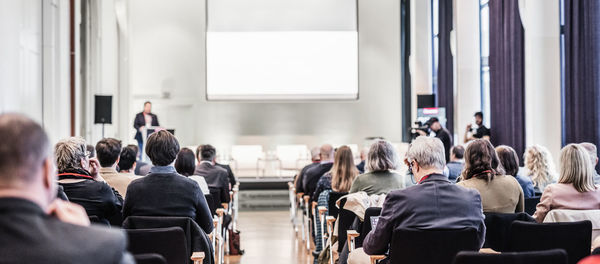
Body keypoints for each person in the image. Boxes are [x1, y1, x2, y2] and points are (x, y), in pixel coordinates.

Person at [0, 114, 134, 264]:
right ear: (46, 171)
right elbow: (119, 208)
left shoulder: (57, 192)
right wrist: (83, 239)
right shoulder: (106, 248)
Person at [362, 136, 486, 257]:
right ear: (444, 165)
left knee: (356, 255)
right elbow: (478, 243)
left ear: (415, 165)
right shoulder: (472, 197)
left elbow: (373, 247)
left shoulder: (397, 199)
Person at [123, 131, 213, 233]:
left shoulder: (134, 188)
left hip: (142, 248)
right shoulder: (192, 187)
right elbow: (208, 227)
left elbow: (125, 223)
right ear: (176, 155)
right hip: (182, 248)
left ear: (149, 154)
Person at [55, 137, 123, 223]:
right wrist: (97, 177)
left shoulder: (49, 189)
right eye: (87, 155)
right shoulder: (99, 189)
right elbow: (120, 209)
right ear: (83, 162)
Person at [533, 144, 600, 222]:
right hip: (592, 234)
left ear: (564, 165)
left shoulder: (552, 191)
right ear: (587, 164)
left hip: (558, 234)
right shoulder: (598, 193)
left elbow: (537, 221)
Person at [457, 139, 524, 213]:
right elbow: (521, 217)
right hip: (508, 225)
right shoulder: (513, 183)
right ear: (495, 158)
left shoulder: (461, 188)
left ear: (468, 161)